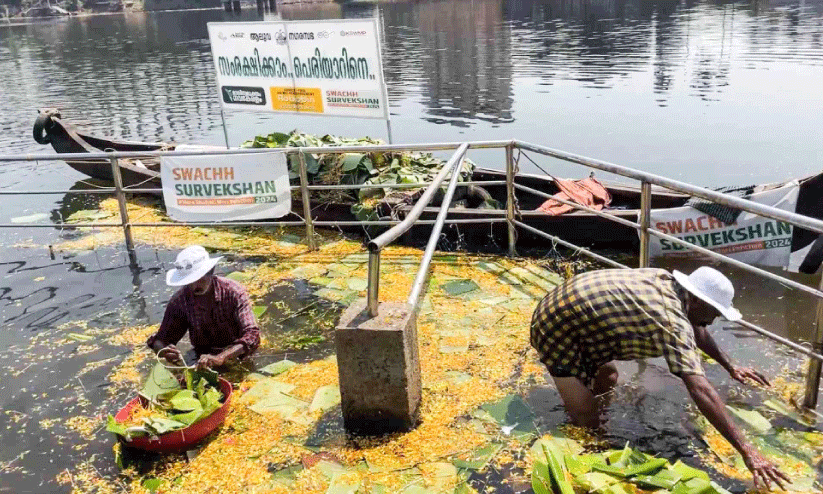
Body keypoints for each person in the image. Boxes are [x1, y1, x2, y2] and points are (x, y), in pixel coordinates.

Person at [530, 266, 789, 491]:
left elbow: (697, 328)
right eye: (715, 311)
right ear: (697, 301)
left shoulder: (670, 284)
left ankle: (595, 420)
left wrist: (730, 366)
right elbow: (700, 388)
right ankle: (588, 445)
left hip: (580, 314)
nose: (715, 319)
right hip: (555, 324)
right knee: (585, 417)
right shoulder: (672, 320)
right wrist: (749, 452)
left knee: (609, 376)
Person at [147, 245, 260, 371]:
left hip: (236, 353)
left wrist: (222, 357)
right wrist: (164, 351)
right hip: (202, 356)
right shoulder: (180, 301)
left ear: (210, 272)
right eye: (189, 281)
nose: (195, 285)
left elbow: (252, 335)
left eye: (198, 279)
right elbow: (159, 340)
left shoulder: (233, 292)